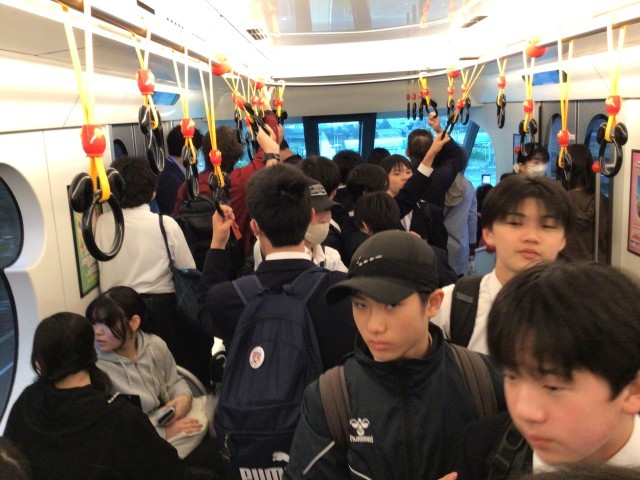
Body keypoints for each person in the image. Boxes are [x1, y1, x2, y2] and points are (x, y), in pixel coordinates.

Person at [284, 230, 505, 480]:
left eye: (391, 304)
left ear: (433, 303)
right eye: (361, 305)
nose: (374, 325)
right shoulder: (331, 400)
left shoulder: (484, 382)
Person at [455, 262, 640, 479]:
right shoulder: (482, 448)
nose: (524, 411)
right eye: (511, 376)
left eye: (553, 387)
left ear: (632, 390)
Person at [198, 163, 357, 371]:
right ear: (310, 217)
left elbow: (205, 311)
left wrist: (218, 244)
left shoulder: (231, 298)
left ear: (255, 228)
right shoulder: (341, 293)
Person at [3, 312, 192, 480]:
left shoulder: (26, 401)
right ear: (91, 353)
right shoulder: (121, 416)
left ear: (39, 362)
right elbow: (168, 470)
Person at [94, 156, 209, 384]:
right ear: (153, 192)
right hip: (160, 312)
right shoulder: (165, 225)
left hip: (113, 311)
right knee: (166, 372)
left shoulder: (100, 224)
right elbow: (188, 269)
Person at [430, 175, 573, 354]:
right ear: (488, 232)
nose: (531, 237)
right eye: (515, 223)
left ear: (563, 239)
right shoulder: (451, 305)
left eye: (547, 225)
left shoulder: (579, 312)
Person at [86, 286, 213, 463]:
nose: (97, 332)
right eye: (93, 323)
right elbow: (112, 428)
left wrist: (184, 398)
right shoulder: (96, 366)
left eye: (107, 324)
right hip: (135, 437)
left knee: (212, 415)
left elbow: (174, 380)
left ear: (134, 322)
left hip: (163, 417)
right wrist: (163, 433)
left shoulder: (154, 345)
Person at [253, 182, 347, 272]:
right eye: (316, 211)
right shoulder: (266, 247)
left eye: (327, 209)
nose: (324, 218)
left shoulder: (331, 256)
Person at [558, 143, 610, 263]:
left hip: (564, 266)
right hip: (592, 266)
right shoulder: (600, 201)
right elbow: (603, 239)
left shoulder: (560, 200)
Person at [405, 113, 468, 210]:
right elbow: (458, 156)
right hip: (434, 219)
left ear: (407, 152)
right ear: (434, 150)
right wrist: (439, 130)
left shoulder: (402, 177)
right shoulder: (440, 176)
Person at [156, 125, 204, 215]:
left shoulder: (171, 169)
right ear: (191, 151)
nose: (198, 154)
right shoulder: (169, 178)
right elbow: (173, 214)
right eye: (198, 150)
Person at [444, 173, 477, 277]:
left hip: (439, 243)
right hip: (461, 243)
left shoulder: (438, 184)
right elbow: (472, 218)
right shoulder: (469, 186)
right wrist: (472, 242)